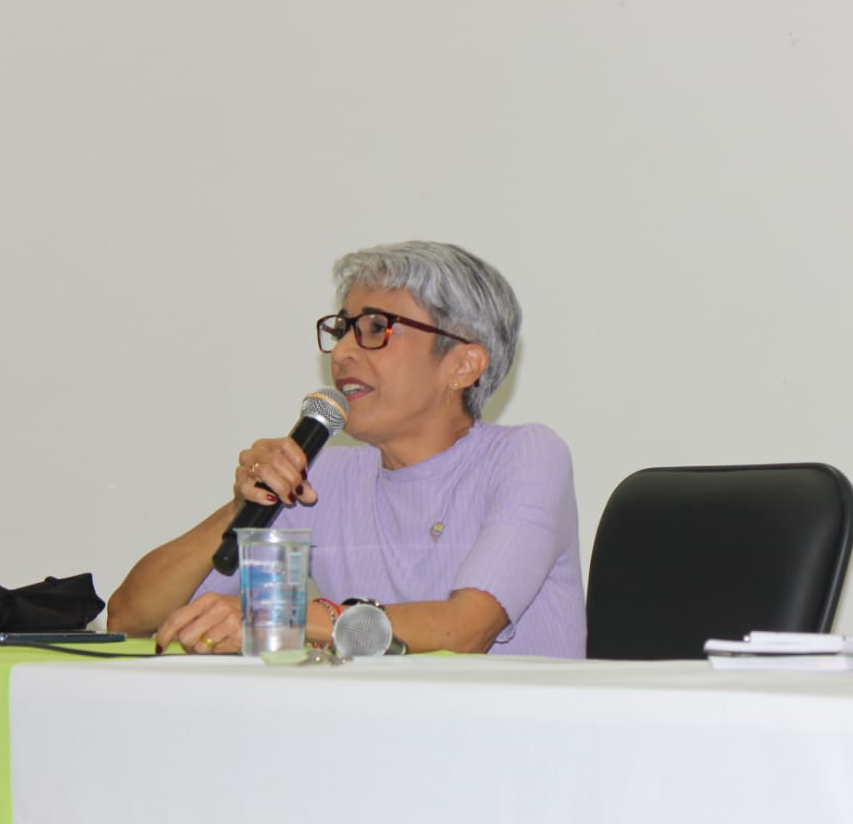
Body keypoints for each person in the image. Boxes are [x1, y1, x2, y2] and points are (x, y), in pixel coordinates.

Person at [107, 241, 586, 658]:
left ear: (463, 364)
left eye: (376, 328)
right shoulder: (321, 477)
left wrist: (289, 618)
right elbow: (131, 616)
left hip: (514, 730)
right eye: (342, 330)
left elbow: (463, 630)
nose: (341, 353)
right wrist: (243, 508)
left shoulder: (526, 456)